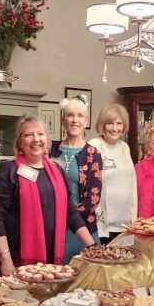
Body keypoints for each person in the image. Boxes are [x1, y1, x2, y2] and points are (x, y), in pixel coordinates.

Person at [0, 115, 96, 276]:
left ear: (47, 140)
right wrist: (5, 259)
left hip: (52, 262)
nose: (36, 139)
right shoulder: (9, 170)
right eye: (28, 135)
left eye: (40, 134)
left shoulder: (57, 171)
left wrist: (93, 248)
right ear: (19, 142)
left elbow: (70, 212)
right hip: (17, 261)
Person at [49, 94, 102, 259]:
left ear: (86, 122)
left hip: (83, 228)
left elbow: (93, 198)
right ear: (63, 120)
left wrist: (66, 215)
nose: (75, 120)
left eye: (80, 116)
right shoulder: (50, 150)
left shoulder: (92, 154)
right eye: (70, 115)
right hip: (54, 229)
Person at [87, 103, 137, 244]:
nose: (115, 128)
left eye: (119, 123)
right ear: (103, 124)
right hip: (102, 224)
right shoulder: (93, 146)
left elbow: (132, 183)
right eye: (110, 123)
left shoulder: (124, 147)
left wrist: (134, 219)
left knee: (124, 262)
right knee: (104, 262)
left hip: (125, 223)